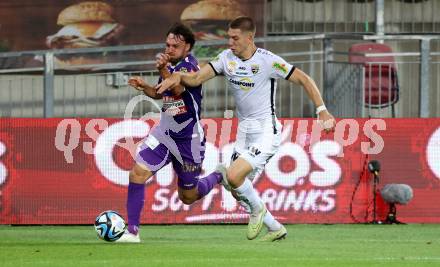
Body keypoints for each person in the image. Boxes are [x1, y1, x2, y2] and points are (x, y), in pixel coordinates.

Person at [157, 16, 336, 242]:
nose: (230, 42)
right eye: (228, 37)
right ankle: (275, 228)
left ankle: (257, 211)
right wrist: (178, 75)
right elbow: (196, 78)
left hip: (265, 132)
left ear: (249, 38)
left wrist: (322, 110)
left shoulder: (268, 61)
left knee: (233, 175)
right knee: (235, 186)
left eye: (235, 38)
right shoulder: (225, 59)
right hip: (244, 133)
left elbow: (304, 79)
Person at [117, 23, 225, 243]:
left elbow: (176, 89)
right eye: (167, 45)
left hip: (188, 141)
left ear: (187, 47)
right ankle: (132, 232)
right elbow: (160, 93)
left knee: (188, 196)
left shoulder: (190, 68)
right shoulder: (172, 65)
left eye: (174, 45)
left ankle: (219, 175)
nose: (169, 49)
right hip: (164, 135)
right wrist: (144, 85)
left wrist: (162, 69)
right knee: (137, 173)